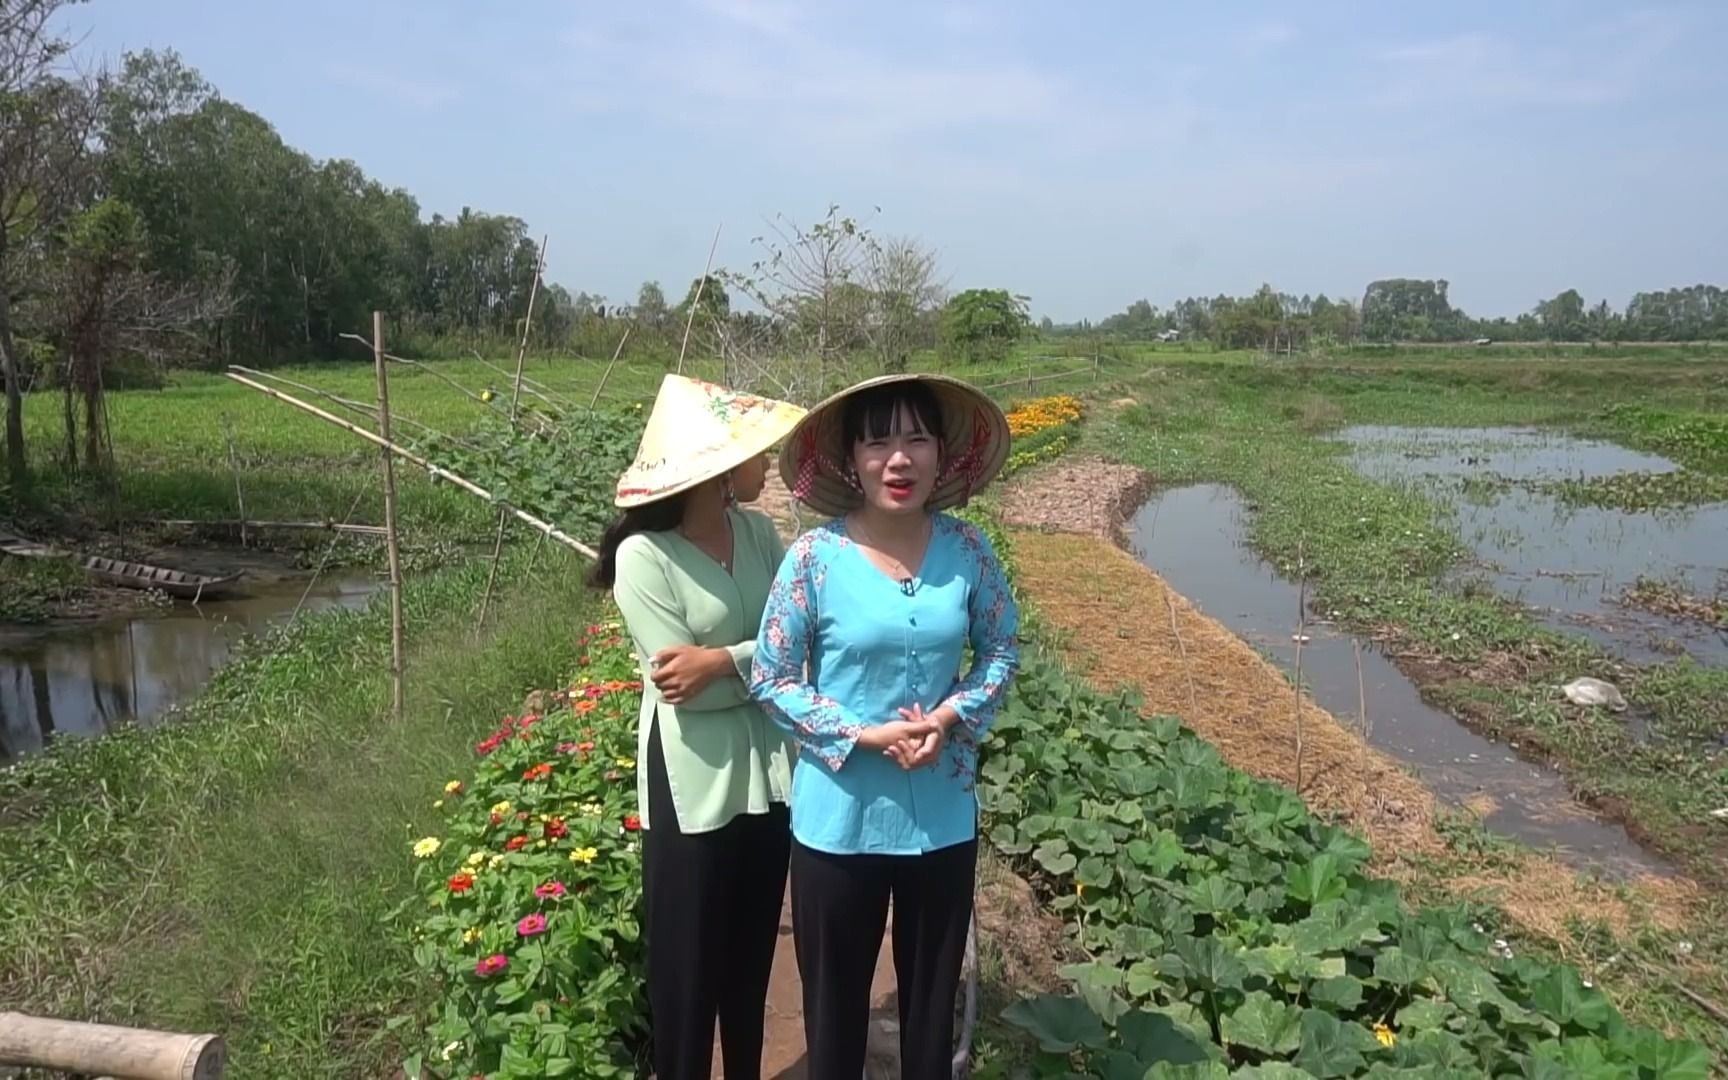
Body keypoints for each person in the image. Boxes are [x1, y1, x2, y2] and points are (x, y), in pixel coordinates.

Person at [748, 373, 1020, 1080]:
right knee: (835, 1014)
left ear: (940, 454)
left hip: (941, 819)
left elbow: (1000, 649)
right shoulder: (814, 559)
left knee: (930, 1014)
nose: (898, 459)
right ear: (852, 460)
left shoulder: (970, 552)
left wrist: (950, 713)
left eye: (915, 439)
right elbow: (773, 678)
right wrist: (861, 734)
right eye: (879, 441)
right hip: (838, 822)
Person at [590, 373, 805, 1080]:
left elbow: (801, 645)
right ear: (715, 467)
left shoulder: (761, 532)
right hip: (689, 780)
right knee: (686, 972)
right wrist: (752, 670)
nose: (766, 464)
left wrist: (719, 660)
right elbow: (685, 694)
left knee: (750, 959)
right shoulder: (643, 558)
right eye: (754, 452)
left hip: (768, 778)